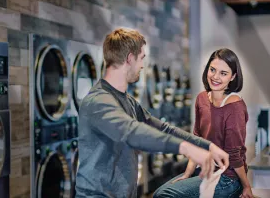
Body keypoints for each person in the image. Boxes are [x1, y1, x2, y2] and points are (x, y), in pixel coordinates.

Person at [75, 28, 229, 198]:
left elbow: (163, 128)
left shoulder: (127, 101)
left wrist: (207, 146)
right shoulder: (98, 101)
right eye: (141, 59)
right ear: (129, 58)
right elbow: (132, 132)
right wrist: (187, 149)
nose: (142, 66)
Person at [154, 48, 254, 198]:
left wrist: (246, 187)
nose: (215, 77)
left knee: (165, 194)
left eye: (223, 73)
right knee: (158, 194)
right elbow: (197, 141)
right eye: (212, 70)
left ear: (233, 77)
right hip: (206, 170)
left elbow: (234, 154)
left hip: (228, 177)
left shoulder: (235, 107)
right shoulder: (202, 99)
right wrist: (186, 175)